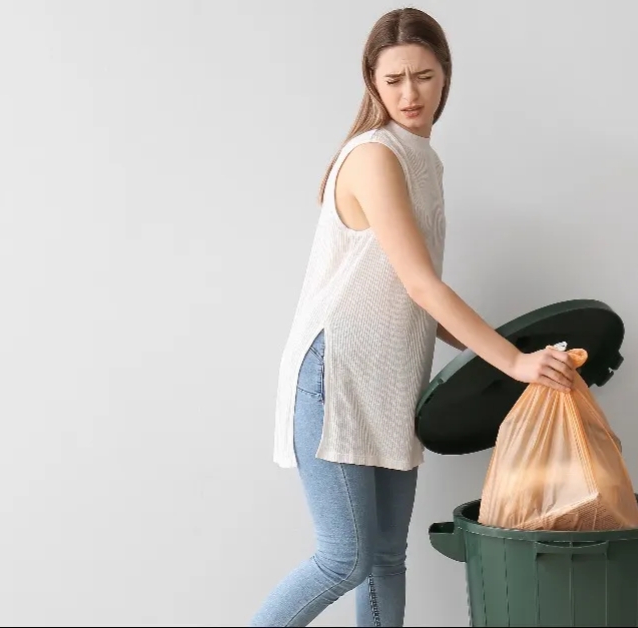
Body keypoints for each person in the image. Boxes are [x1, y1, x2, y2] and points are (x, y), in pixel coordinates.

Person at [250, 7, 576, 627]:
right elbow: (424, 286)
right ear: (372, 83)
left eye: (423, 76)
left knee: (385, 559)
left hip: (390, 379)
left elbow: (413, 295)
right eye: (394, 79)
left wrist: (511, 359)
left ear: (445, 77)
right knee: (344, 558)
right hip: (337, 375)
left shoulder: (425, 160)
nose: (409, 93)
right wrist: (511, 360)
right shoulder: (374, 156)